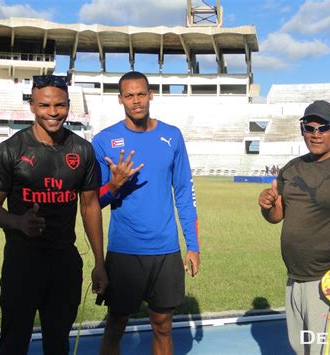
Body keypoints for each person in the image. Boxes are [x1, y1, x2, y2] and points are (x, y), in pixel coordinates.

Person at [0, 75, 108, 354]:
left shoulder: (82, 151)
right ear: (32, 106)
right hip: (21, 265)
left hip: (64, 265)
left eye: (60, 105)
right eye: (45, 105)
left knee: (58, 343)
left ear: (68, 105)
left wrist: (99, 262)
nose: (53, 113)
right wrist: (18, 222)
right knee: (14, 344)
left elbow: (89, 206)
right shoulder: (9, 150)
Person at [92, 71, 200, 355]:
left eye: (141, 94)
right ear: (120, 99)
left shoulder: (172, 136)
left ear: (151, 94)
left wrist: (193, 245)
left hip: (165, 250)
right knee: (116, 324)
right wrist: (114, 186)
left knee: (163, 325)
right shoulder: (104, 140)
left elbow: (184, 193)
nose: (136, 101)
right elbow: (93, 201)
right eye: (129, 95)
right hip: (125, 251)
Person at [258, 100, 330, 354]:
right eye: (308, 127)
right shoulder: (292, 168)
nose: (315, 134)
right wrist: (268, 205)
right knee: (302, 350)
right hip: (295, 279)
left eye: (323, 127)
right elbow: (278, 216)